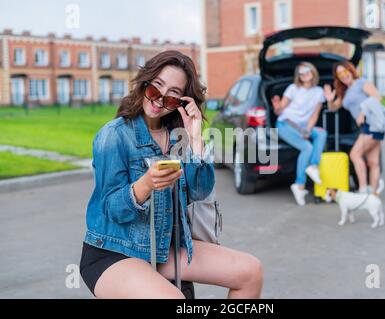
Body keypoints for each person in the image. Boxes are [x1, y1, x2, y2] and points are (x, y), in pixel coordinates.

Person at [79, 51, 263, 299]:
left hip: (163, 246)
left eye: (173, 94)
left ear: (182, 101)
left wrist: (196, 138)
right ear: (145, 82)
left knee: (251, 272)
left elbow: (198, 192)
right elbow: (112, 208)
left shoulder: (179, 136)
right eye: (157, 87)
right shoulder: (114, 135)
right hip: (115, 250)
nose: (159, 100)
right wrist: (145, 184)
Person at [324, 60, 385, 194]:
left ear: (351, 70)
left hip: (373, 123)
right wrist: (329, 99)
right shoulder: (345, 91)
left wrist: (363, 112)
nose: (343, 75)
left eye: (345, 71)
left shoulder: (361, 83)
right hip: (364, 127)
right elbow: (333, 108)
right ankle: (373, 195)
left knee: (355, 154)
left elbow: (377, 97)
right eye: (339, 74)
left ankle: (363, 190)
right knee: (373, 161)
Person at [271, 62, 327, 206]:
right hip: (286, 124)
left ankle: (313, 166)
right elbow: (280, 109)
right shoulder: (293, 88)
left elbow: (315, 115)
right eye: (301, 72)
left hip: (302, 126)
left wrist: (308, 130)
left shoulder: (319, 92)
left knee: (321, 134)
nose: (304, 74)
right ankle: (299, 184)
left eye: (306, 71)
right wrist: (277, 108)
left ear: (313, 71)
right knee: (307, 147)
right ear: (299, 75)